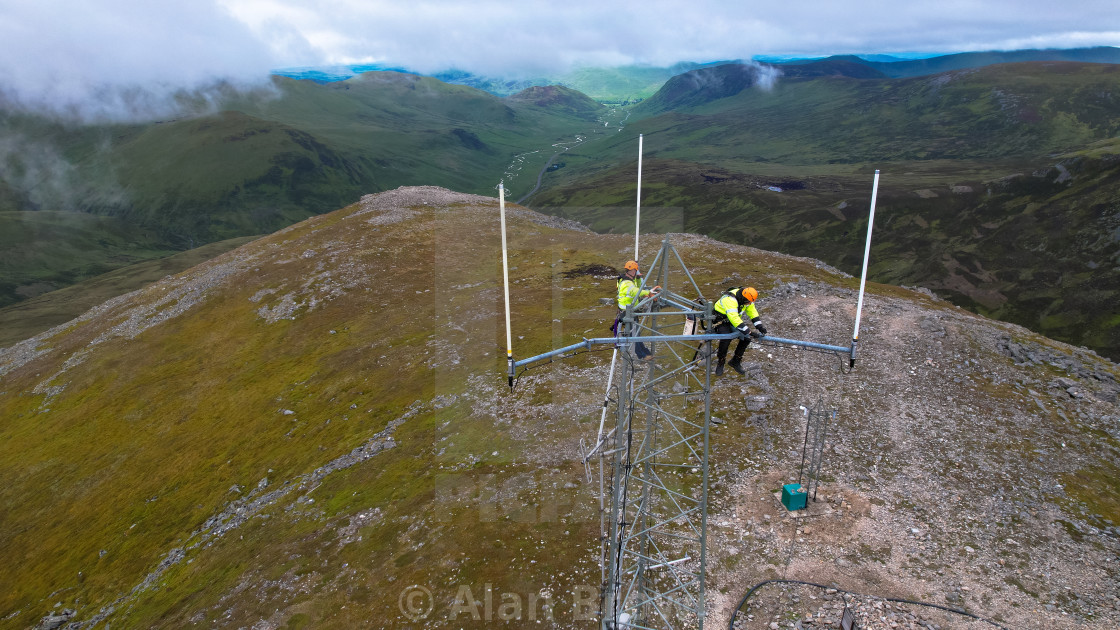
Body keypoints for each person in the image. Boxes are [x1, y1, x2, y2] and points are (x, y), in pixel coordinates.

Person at [711, 286, 768, 376]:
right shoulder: (730, 300)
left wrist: (760, 326)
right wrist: (749, 331)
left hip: (732, 321)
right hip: (720, 321)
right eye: (749, 302)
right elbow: (734, 318)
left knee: (746, 338)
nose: (750, 304)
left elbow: (752, 313)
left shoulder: (747, 299)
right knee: (726, 338)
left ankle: (735, 361)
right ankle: (721, 362)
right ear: (744, 299)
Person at [615, 260, 660, 360]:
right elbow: (634, 291)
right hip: (627, 313)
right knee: (634, 335)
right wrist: (648, 292)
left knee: (636, 334)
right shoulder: (626, 283)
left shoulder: (629, 279)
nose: (636, 272)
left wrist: (639, 278)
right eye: (635, 270)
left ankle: (645, 353)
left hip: (630, 312)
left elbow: (638, 288)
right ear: (632, 271)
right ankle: (642, 355)